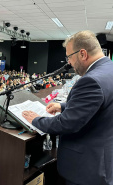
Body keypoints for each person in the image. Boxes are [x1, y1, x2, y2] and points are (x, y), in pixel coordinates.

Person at [22, 30, 113, 185]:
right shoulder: (109, 69)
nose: (69, 62)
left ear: (83, 54)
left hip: (87, 168)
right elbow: (101, 104)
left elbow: (66, 124)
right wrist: (64, 106)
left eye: (69, 56)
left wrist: (36, 120)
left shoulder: (91, 80)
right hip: (104, 157)